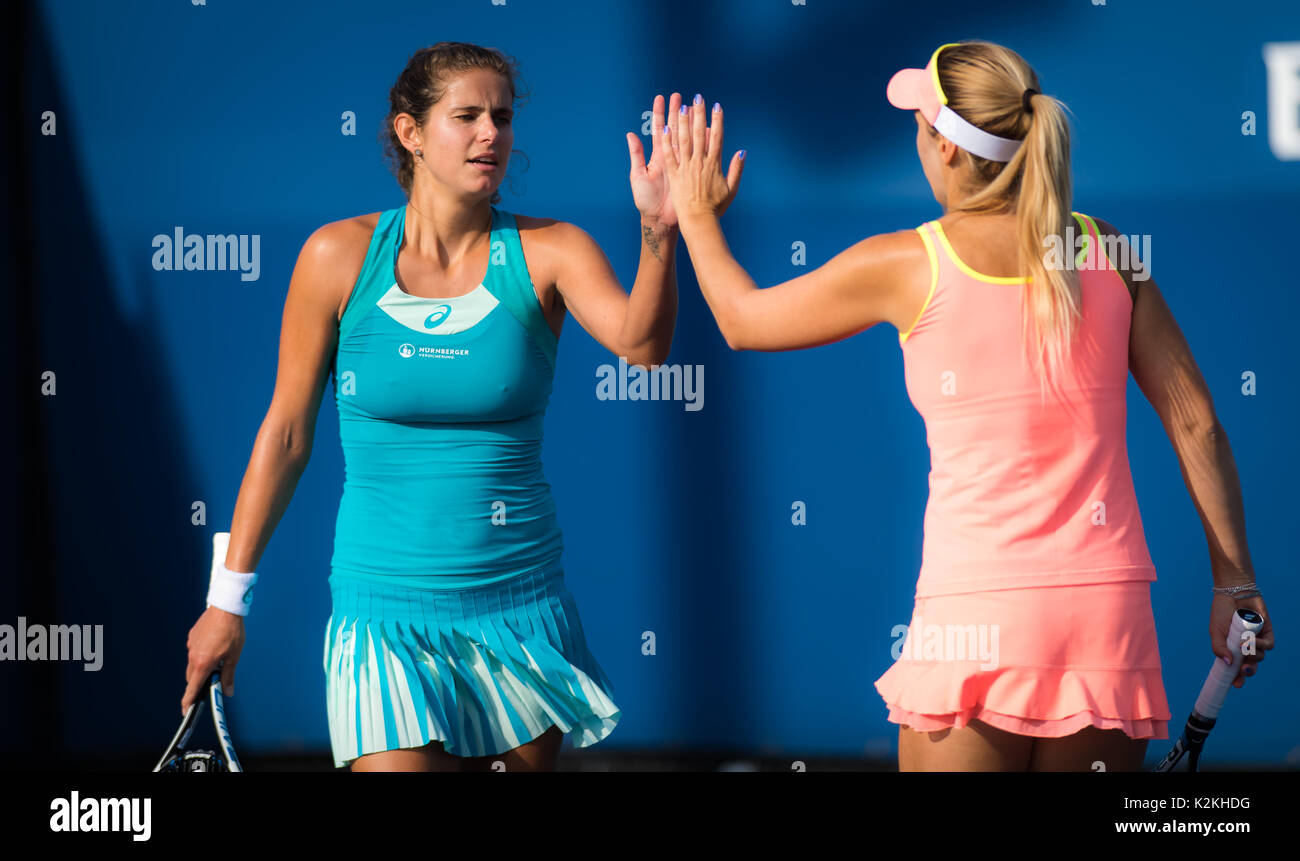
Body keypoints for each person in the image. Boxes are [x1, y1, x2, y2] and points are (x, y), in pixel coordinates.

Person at [662, 40, 1274, 771]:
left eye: (920, 124)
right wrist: (1236, 582)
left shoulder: (905, 261)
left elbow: (741, 319)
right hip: (1108, 617)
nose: (916, 141)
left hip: (974, 615)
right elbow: (1196, 420)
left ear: (946, 149)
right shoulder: (1107, 248)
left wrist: (694, 214)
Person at [182, 42, 685, 771]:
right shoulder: (335, 256)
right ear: (410, 132)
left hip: (521, 609)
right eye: (468, 115)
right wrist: (226, 601)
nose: (492, 134)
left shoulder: (552, 250)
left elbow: (643, 345)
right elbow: (287, 433)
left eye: (504, 117)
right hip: (380, 614)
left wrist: (659, 232)